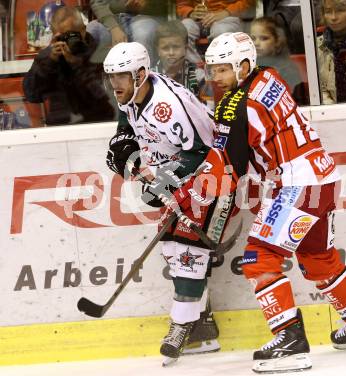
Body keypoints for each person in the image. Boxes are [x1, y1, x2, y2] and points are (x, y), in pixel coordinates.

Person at [159, 32, 346, 373]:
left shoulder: (235, 106)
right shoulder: (269, 76)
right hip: (322, 177)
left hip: (296, 184)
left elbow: (227, 168)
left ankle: (290, 340)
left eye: (222, 70)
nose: (215, 78)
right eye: (212, 70)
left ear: (244, 65)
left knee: (259, 258)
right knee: (318, 257)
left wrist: (186, 195)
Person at [103, 42, 236, 365]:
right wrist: (124, 144)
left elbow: (204, 152)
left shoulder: (168, 105)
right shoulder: (134, 93)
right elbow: (128, 122)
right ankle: (202, 327)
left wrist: (162, 175)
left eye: (121, 76)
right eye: (111, 77)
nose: (115, 84)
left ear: (140, 74)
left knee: (186, 251)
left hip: (212, 175)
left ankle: (182, 325)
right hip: (183, 177)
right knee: (174, 249)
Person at [23, 6, 115, 125]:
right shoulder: (49, 57)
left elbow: (103, 96)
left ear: (83, 30)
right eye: (60, 37)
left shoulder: (99, 53)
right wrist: (50, 62)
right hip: (61, 124)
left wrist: (76, 64)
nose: (65, 41)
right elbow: (32, 95)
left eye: (69, 35)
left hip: (97, 121)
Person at [87, 0, 167, 63]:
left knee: (143, 33)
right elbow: (97, 3)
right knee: (92, 29)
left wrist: (147, 2)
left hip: (145, 16)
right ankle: (96, 79)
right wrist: (113, 27)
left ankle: (144, 77)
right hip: (112, 17)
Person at [177, 0, 255, 63]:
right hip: (198, 19)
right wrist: (191, 13)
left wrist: (226, 12)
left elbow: (247, 2)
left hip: (228, 16)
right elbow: (182, 4)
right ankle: (196, 69)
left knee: (221, 31)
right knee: (183, 29)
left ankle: (220, 67)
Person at [151, 20, 206, 99]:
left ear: (185, 48)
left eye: (176, 47)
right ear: (158, 51)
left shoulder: (198, 76)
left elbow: (207, 106)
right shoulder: (151, 78)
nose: (171, 53)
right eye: (165, 48)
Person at [250, 17, 301, 95]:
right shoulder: (250, 66)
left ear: (277, 41)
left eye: (264, 38)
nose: (256, 43)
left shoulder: (288, 69)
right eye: (253, 38)